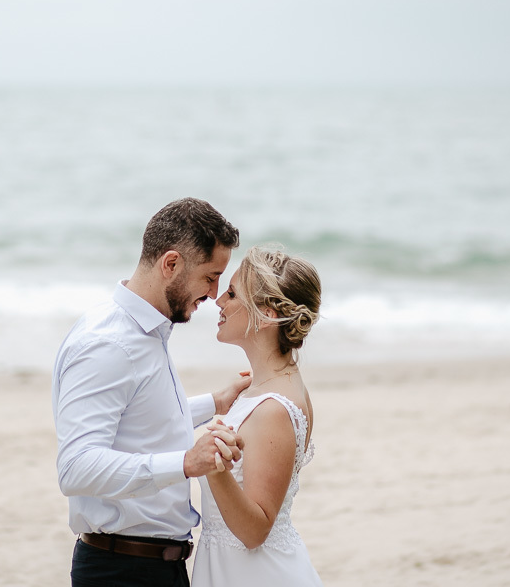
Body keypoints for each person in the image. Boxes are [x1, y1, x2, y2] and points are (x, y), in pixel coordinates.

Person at [53, 197, 252, 587]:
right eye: (210, 276)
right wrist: (185, 463)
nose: (214, 294)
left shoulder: (145, 332)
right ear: (171, 264)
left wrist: (215, 403)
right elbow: (75, 468)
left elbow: (141, 420)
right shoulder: (109, 343)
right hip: (122, 569)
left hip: (154, 567)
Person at [192, 245, 324, 586]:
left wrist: (215, 468)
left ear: (265, 315)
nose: (219, 301)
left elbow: (255, 530)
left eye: (233, 293)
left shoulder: (274, 410)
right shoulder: (264, 389)